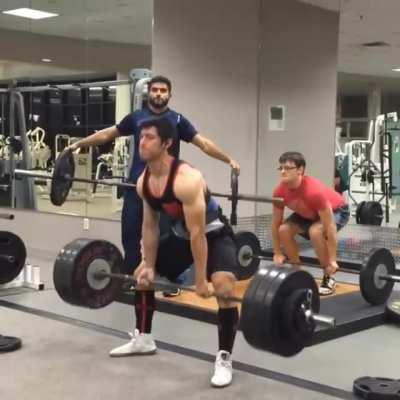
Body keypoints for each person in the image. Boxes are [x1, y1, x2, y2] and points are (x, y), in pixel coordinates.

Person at [68, 75, 240, 283]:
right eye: (155, 90)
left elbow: (202, 143)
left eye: (163, 90)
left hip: (166, 192)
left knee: (166, 239)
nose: (159, 93)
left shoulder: (177, 120)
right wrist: (79, 144)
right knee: (131, 237)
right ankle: (133, 280)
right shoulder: (136, 117)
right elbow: (108, 135)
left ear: (169, 95)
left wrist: (228, 159)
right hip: (136, 189)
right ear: (148, 92)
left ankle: (169, 281)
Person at [109, 117, 240, 388]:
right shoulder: (144, 181)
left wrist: (201, 279)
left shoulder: (187, 179)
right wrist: (148, 263)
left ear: (167, 143)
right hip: (184, 236)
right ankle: (143, 338)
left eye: (148, 138)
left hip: (213, 234)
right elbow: (150, 226)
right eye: (140, 137)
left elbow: (199, 233)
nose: (141, 143)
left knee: (224, 287)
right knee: (142, 278)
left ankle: (224, 357)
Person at [272, 151, 350, 295]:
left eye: (287, 168)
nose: (282, 171)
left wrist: (332, 259)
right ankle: (297, 274)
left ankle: (329, 277)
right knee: (284, 230)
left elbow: (330, 227)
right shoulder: (279, 191)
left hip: (338, 209)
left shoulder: (313, 192)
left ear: (300, 170)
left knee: (316, 232)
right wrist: (277, 252)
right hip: (309, 213)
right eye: (281, 168)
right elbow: (276, 223)